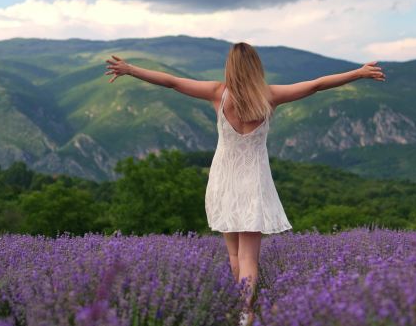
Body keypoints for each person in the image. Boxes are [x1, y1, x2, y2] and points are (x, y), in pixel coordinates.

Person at [105, 42, 385, 325]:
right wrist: (358, 73)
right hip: (254, 181)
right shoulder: (270, 96)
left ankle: (243, 310)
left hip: (223, 181)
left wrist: (130, 69)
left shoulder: (217, 93)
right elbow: (316, 85)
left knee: (234, 253)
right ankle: (245, 312)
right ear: (256, 66)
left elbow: (171, 82)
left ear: (230, 67)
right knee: (249, 256)